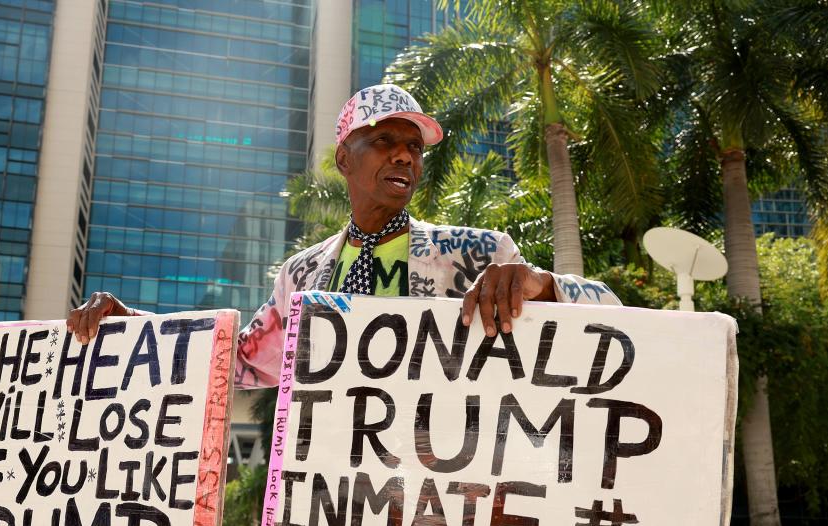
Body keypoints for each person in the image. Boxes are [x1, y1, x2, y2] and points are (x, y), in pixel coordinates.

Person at [68, 84, 621, 391]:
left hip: (448, 509)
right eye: (384, 141)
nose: (405, 154)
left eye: (415, 146)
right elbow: (236, 365)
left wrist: (544, 286)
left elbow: (617, 321)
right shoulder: (303, 275)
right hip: (336, 519)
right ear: (344, 158)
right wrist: (131, 327)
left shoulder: (479, 255)